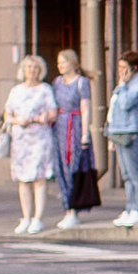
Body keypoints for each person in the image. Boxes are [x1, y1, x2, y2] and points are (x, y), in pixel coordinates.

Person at [0, 53, 60, 234]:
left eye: (35, 68)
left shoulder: (45, 89)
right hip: (21, 138)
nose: (31, 71)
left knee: (39, 178)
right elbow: (7, 114)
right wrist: (17, 121)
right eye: (29, 68)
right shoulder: (16, 90)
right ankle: (25, 216)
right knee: (23, 180)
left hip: (39, 137)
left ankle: (37, 218)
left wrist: (43, 117)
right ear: (23, 70)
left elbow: (53, 112)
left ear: (40, 71)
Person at [106, 46, 138, 226]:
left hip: (134, 131)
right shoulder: (124, 85)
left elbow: (126, 104)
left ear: (134, 68)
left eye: (123, 67)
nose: (120, 71)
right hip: (120, 131)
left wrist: (123, 86)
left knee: (136, 173)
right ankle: (130, 207)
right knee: (126, 174)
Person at [50, 47, 95, 230]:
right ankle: (66, 206)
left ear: (73, 63)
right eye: (58, 62)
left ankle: (73, 209)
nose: (60, 65)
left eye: (64, 62)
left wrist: (85, 133)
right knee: (60, 167)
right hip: (59, 127)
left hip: (74, 127)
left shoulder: (81, 83)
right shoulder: (56, 82)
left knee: (73, 167)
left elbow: (85, 109)